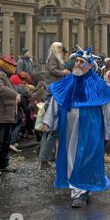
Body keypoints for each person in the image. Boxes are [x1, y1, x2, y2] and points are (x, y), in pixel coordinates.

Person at [42, 46, 110, 208]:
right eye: (76, 61)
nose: (77, 64)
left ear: (89, 65)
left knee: (87, 157)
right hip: (68, 129)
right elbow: (56, 102)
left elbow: (107, 108)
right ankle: (78, 188)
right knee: (70, 157)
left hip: (90, 128)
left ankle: (81, 191)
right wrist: (49, 120)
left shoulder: (98, 84)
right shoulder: (67, 81)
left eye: (81, 62)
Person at [39, 42, 71, 170]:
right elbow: (52, 70)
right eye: (60, 47)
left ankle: (47, 159)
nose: (62, 48)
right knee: (54, 131)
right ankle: (46, 160)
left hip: (56, 91)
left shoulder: (55, 57)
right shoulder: (54, 57)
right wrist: (63, 72)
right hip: (55, 91)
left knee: (54, 132)